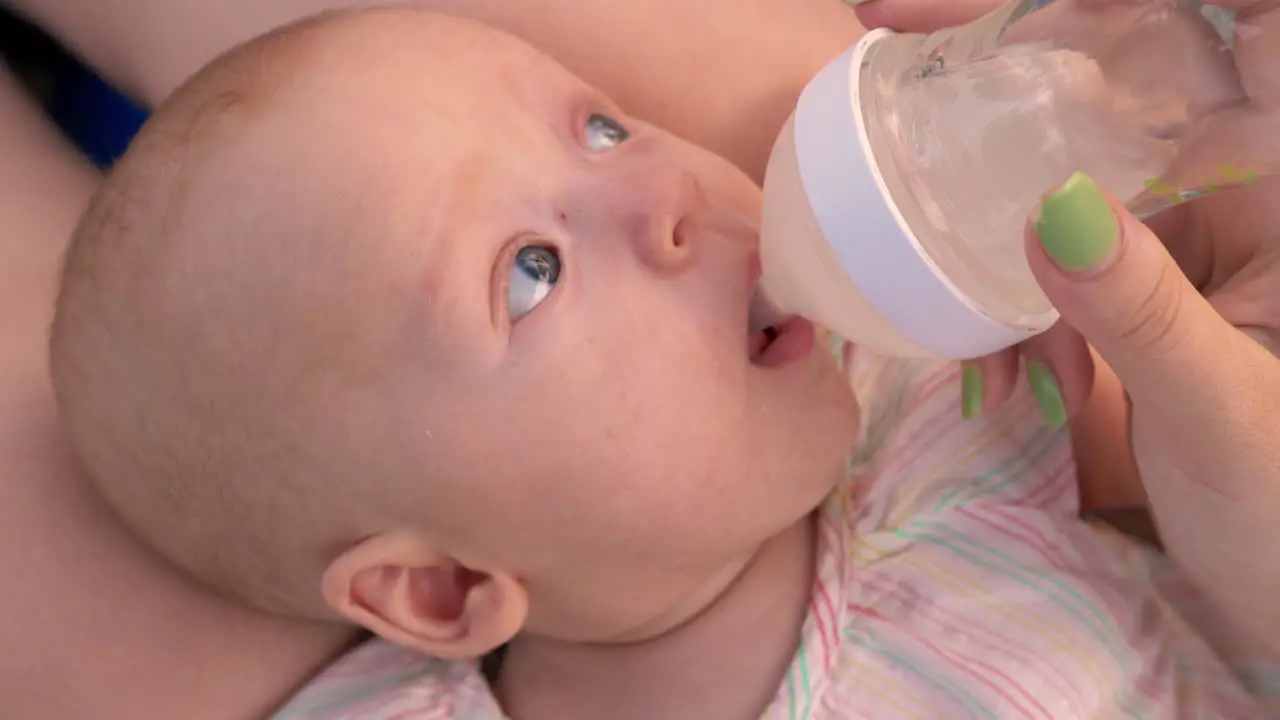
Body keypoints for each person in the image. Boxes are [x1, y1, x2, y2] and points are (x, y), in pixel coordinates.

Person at [0, 0, 1273, 715]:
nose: (662, 190)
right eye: (529, 274)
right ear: (441, 596)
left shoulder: (930, 397)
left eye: (600, 128)